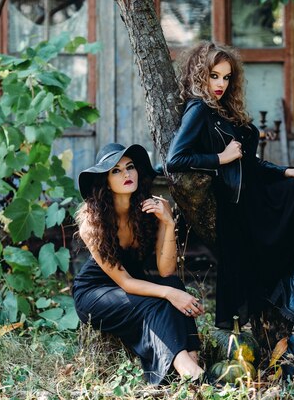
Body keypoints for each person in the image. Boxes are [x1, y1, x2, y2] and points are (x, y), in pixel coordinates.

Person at [166, 41, 294, 378]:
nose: (220, 84)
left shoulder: (226, 110)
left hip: (259, 191)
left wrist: (285, 171)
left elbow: (251, 165)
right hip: (242, 207)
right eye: (214, 75)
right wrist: (219, 159)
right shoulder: (199, 110)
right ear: (200, 74)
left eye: (226, 77)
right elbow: (175, 159)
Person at [72, 143, 205, 385]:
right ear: (105, 180)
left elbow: (166, 271)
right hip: (96, 293)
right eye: (116, 170)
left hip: (132, 287)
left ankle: (192, 361)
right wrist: (171, 294)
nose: (126, 174)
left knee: (173, 284)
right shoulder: (92, 221)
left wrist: (167, 223)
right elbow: (125, 281)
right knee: (162, 299)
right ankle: (188, 369)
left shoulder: (147, 209)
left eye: (130, 167)